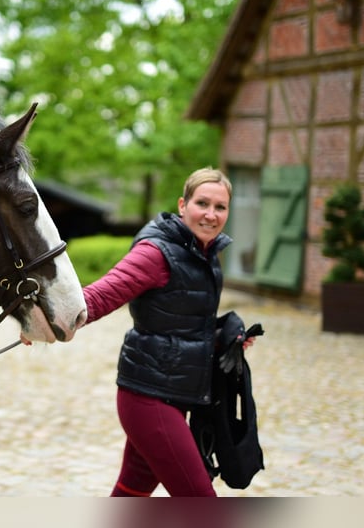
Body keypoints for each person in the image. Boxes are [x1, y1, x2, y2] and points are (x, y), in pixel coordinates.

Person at [82, 166, 255, 497]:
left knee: (131, 491)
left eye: (220, 207)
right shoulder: (157, 253)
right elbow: (101, 295)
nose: (211, 214)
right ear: (182, 205)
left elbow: (183, 323)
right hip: (148, 398)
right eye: (202, 203)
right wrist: (45, 321)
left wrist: (224, 341)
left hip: (175, 394)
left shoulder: (204, 253)